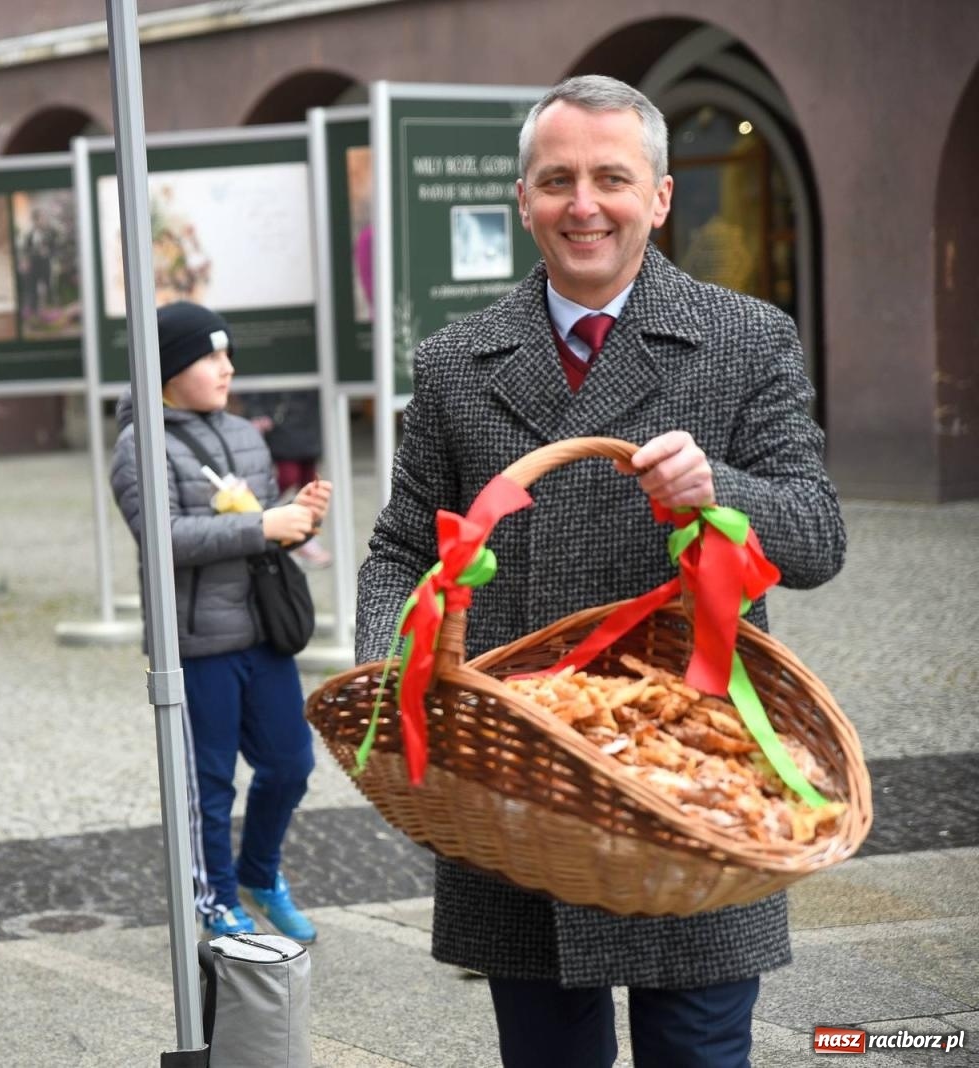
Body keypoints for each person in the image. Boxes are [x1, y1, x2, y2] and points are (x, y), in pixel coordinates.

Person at [355, 75, 846, 1068]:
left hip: (692, 781)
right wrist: (395, 677)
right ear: (524, 197)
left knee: (700, 1056)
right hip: (519, 783)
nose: (583, 204)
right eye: (556, 179)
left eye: (611, 178)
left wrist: (723, 488)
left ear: (658, 196)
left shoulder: (746, 340)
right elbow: (403, 546)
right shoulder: (455, 362)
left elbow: (819, 537)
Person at [110, 301, 331, 942]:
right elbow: (163, 537)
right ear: (171, 368)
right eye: (211, 356)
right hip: (197, 642)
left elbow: (254, 530)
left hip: (263, 631)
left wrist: (296, 517)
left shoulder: (243, 433)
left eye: (227, 354)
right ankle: (217, 899)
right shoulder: (138, 445)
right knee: (209, 785)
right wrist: (262, 524)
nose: (227, 368)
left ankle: (260, 873)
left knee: (291, 764)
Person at [243, 389, 332, 569]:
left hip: (309, 421)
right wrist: (258, 411)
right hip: (282, 420)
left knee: (310, 482)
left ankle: (304, 538)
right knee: (287, 477)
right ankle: (274, 520)